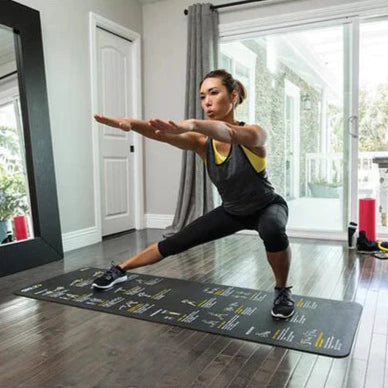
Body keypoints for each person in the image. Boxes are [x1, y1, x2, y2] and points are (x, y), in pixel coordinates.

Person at [92, 69, 294, 319]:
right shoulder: (202, 143)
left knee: (273, 229)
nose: (207, 101)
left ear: (232, 96)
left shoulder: (254, 133)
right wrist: (131, 124)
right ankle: (120, 269)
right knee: (175, 242)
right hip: (232, 210)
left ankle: (282, 291)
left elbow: (229, 132)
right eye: (202, 96)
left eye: (213, 93)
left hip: (267, 205)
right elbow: (162, 134)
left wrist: (191, 124)